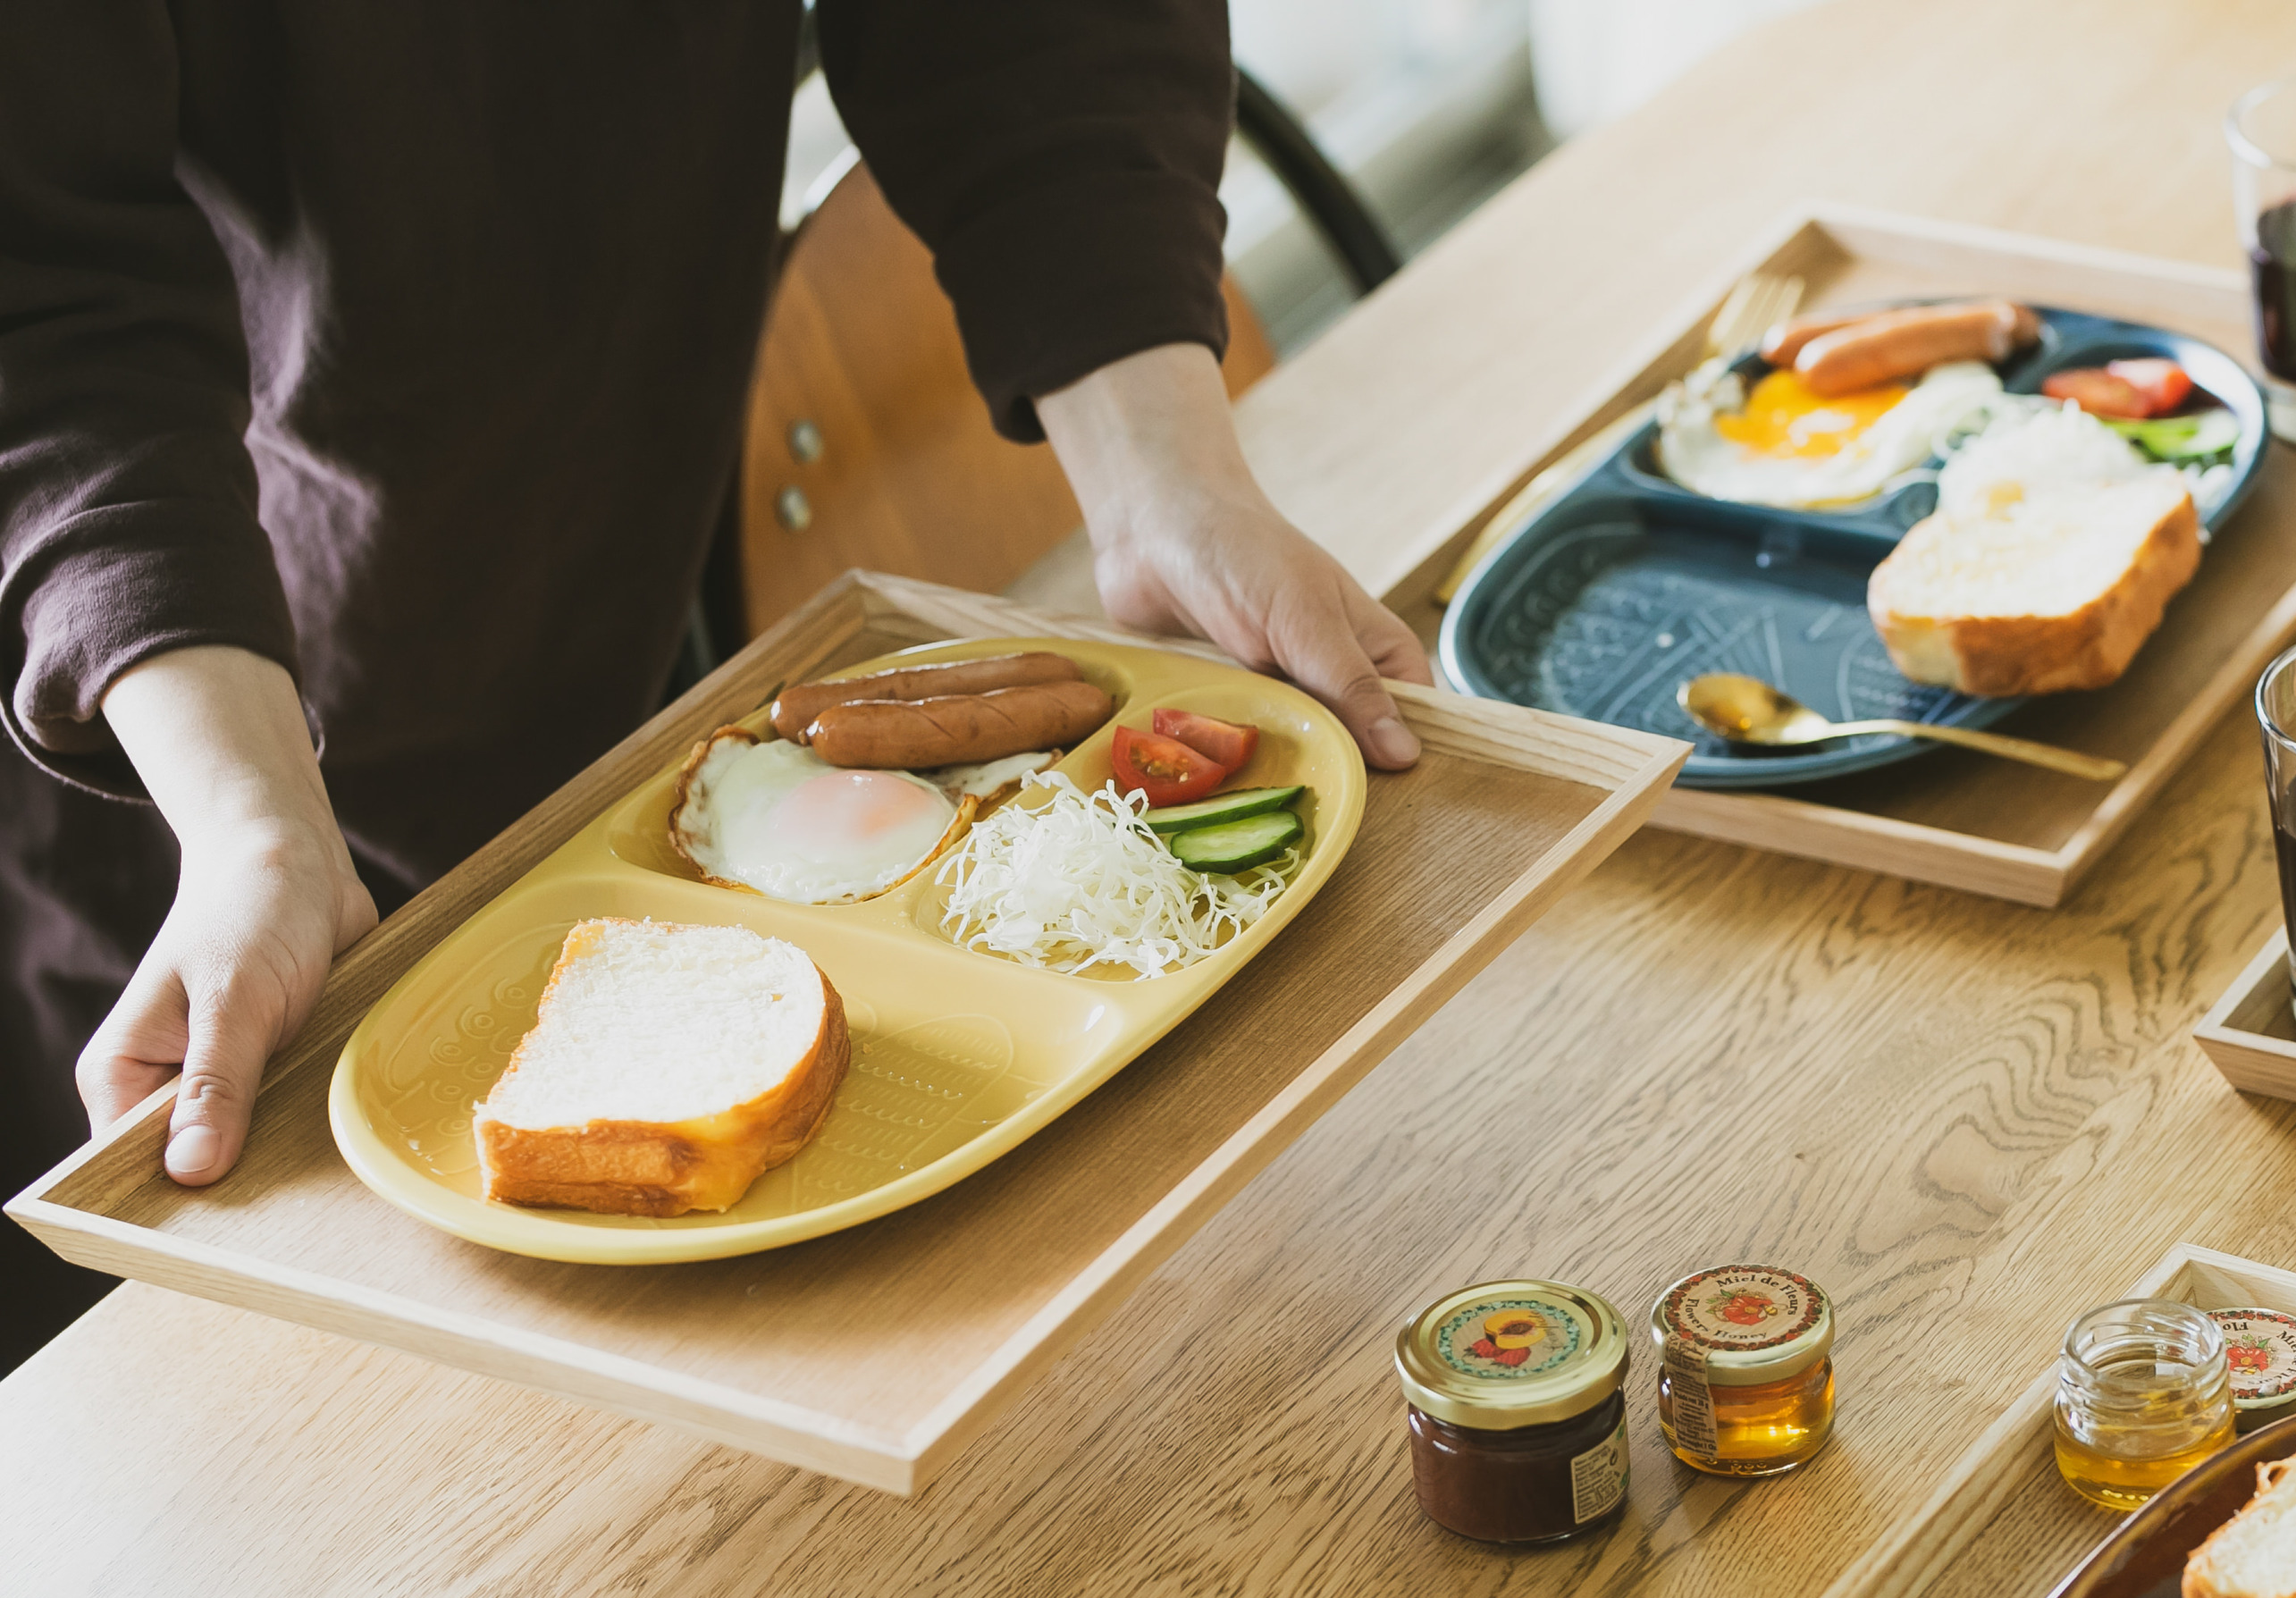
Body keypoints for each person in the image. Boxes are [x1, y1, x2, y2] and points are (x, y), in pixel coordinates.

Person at [0, 2, 1429, 1369]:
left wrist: (1162, 483)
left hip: (595, 643)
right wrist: (250, 816)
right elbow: (45, 290)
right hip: (171, 756)